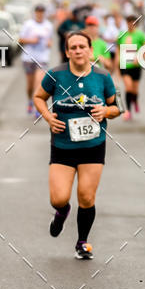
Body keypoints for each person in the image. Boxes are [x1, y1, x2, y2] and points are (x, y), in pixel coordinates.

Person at [33, 31, 120, 260]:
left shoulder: (103, 77)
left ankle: (82, 242)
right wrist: (48, 117)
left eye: (82, 46)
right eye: (73, 47)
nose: (78, 50)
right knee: (59, 198)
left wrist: (106, 111)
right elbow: (39, 97)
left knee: (86, 197)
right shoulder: (55, 75)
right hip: (62, 146)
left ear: (90, 50)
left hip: (93, 145)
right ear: (67, 51)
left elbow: (117, 107)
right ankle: (62, 212)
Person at [19, 4, 54, 115]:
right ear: (35, 13)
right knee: (30, 86)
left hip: (42, 58)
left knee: (38, 83)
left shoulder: (48, 25)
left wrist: (49, 43)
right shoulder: (28, 24)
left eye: (42, 12)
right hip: (29, 58)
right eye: (38, 12)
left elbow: (50, 40)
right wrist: (31, 41)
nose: (40, 14)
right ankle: (30, 100)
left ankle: (36, 107)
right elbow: (20, 39)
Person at [114, 14, 145, 119]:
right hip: (125, 65)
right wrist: (117, 62)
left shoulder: (140, 35)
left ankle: (135, 100)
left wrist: (140, 56)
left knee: (134, 90)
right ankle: (128, 110)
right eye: (128, 23)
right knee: (128, 87)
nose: (130, 25)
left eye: (132, 23)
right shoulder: (122, 34)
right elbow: (118, 50)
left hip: (136, 66)